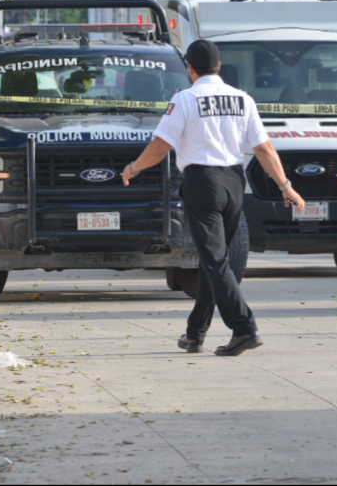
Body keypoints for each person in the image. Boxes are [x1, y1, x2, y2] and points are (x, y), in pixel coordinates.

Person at [122, 38, 305, 357]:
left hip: (202, 183)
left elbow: (161, 145)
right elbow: (263, 148)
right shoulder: (242, 99)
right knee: (214, 260)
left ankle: (244, 328)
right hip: (234, 183)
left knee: (215, 260)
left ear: (189, 68)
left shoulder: (185, 99)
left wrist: (134, 167)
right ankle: (195, 334)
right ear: (219, 67)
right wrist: (285, 185)